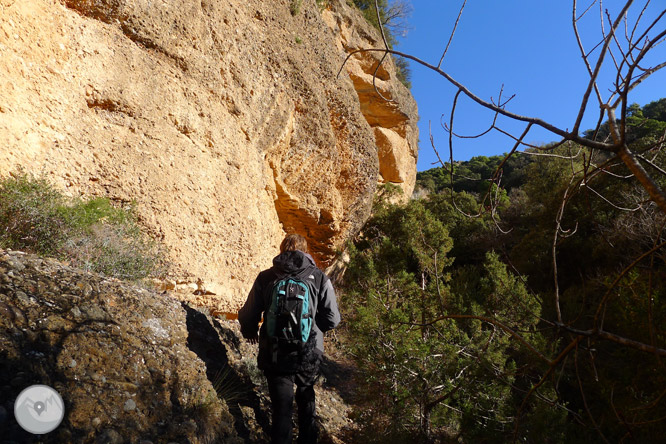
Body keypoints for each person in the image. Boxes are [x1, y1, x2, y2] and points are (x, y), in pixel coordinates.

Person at [238, 234, 341, 444]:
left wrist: (249, 332)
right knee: (306, 396)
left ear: (282, 249)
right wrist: (313, 329)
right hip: (309, 350)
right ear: (306, 251)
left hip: (275, 350)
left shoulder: (266, 277)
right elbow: (332, 318)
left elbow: (249, 314)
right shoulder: (319, 277)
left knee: (281, 408)